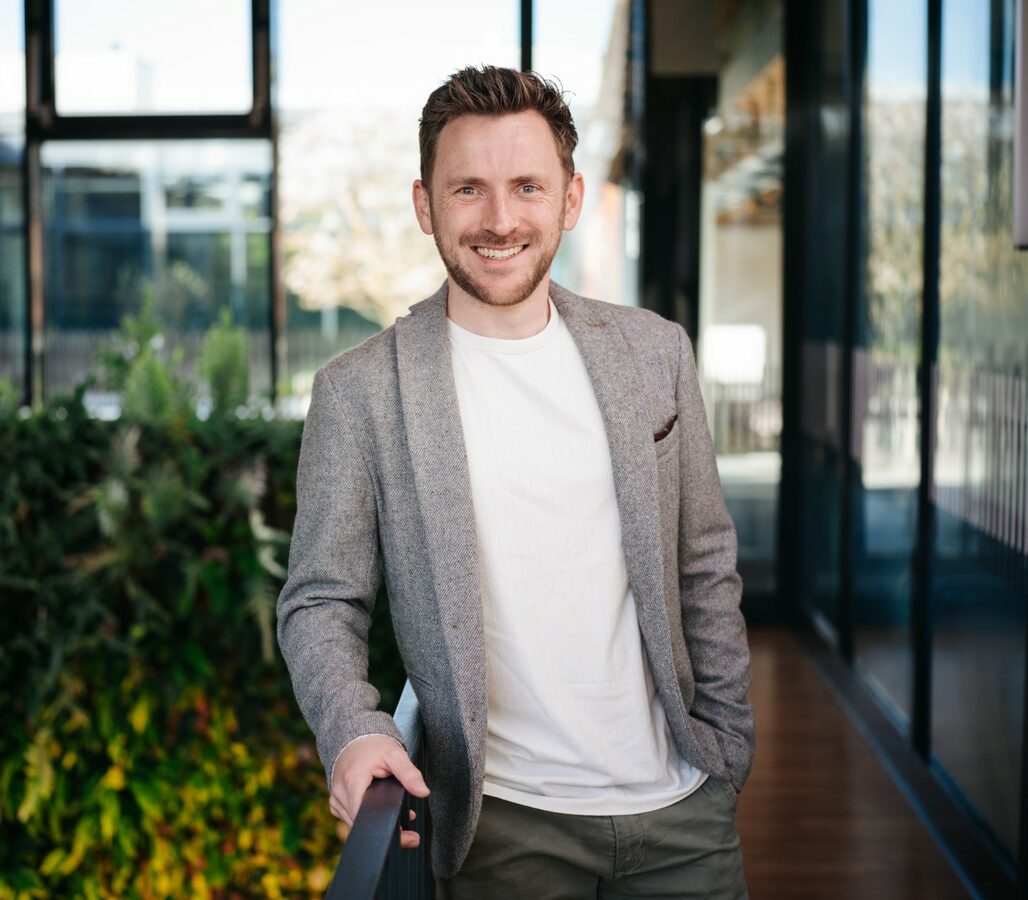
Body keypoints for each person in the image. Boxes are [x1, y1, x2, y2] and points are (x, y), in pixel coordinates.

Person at [277, 65, 755, 899]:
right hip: (503, 828)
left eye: (527, 186)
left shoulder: (655, 354)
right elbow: (320, 600)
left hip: (684, 809)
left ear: (569, 200)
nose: (500, 220)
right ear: (425, 205)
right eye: (468, 189)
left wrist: (726, 742)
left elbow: (703, 560)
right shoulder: (360, 391)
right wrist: (353, 733)